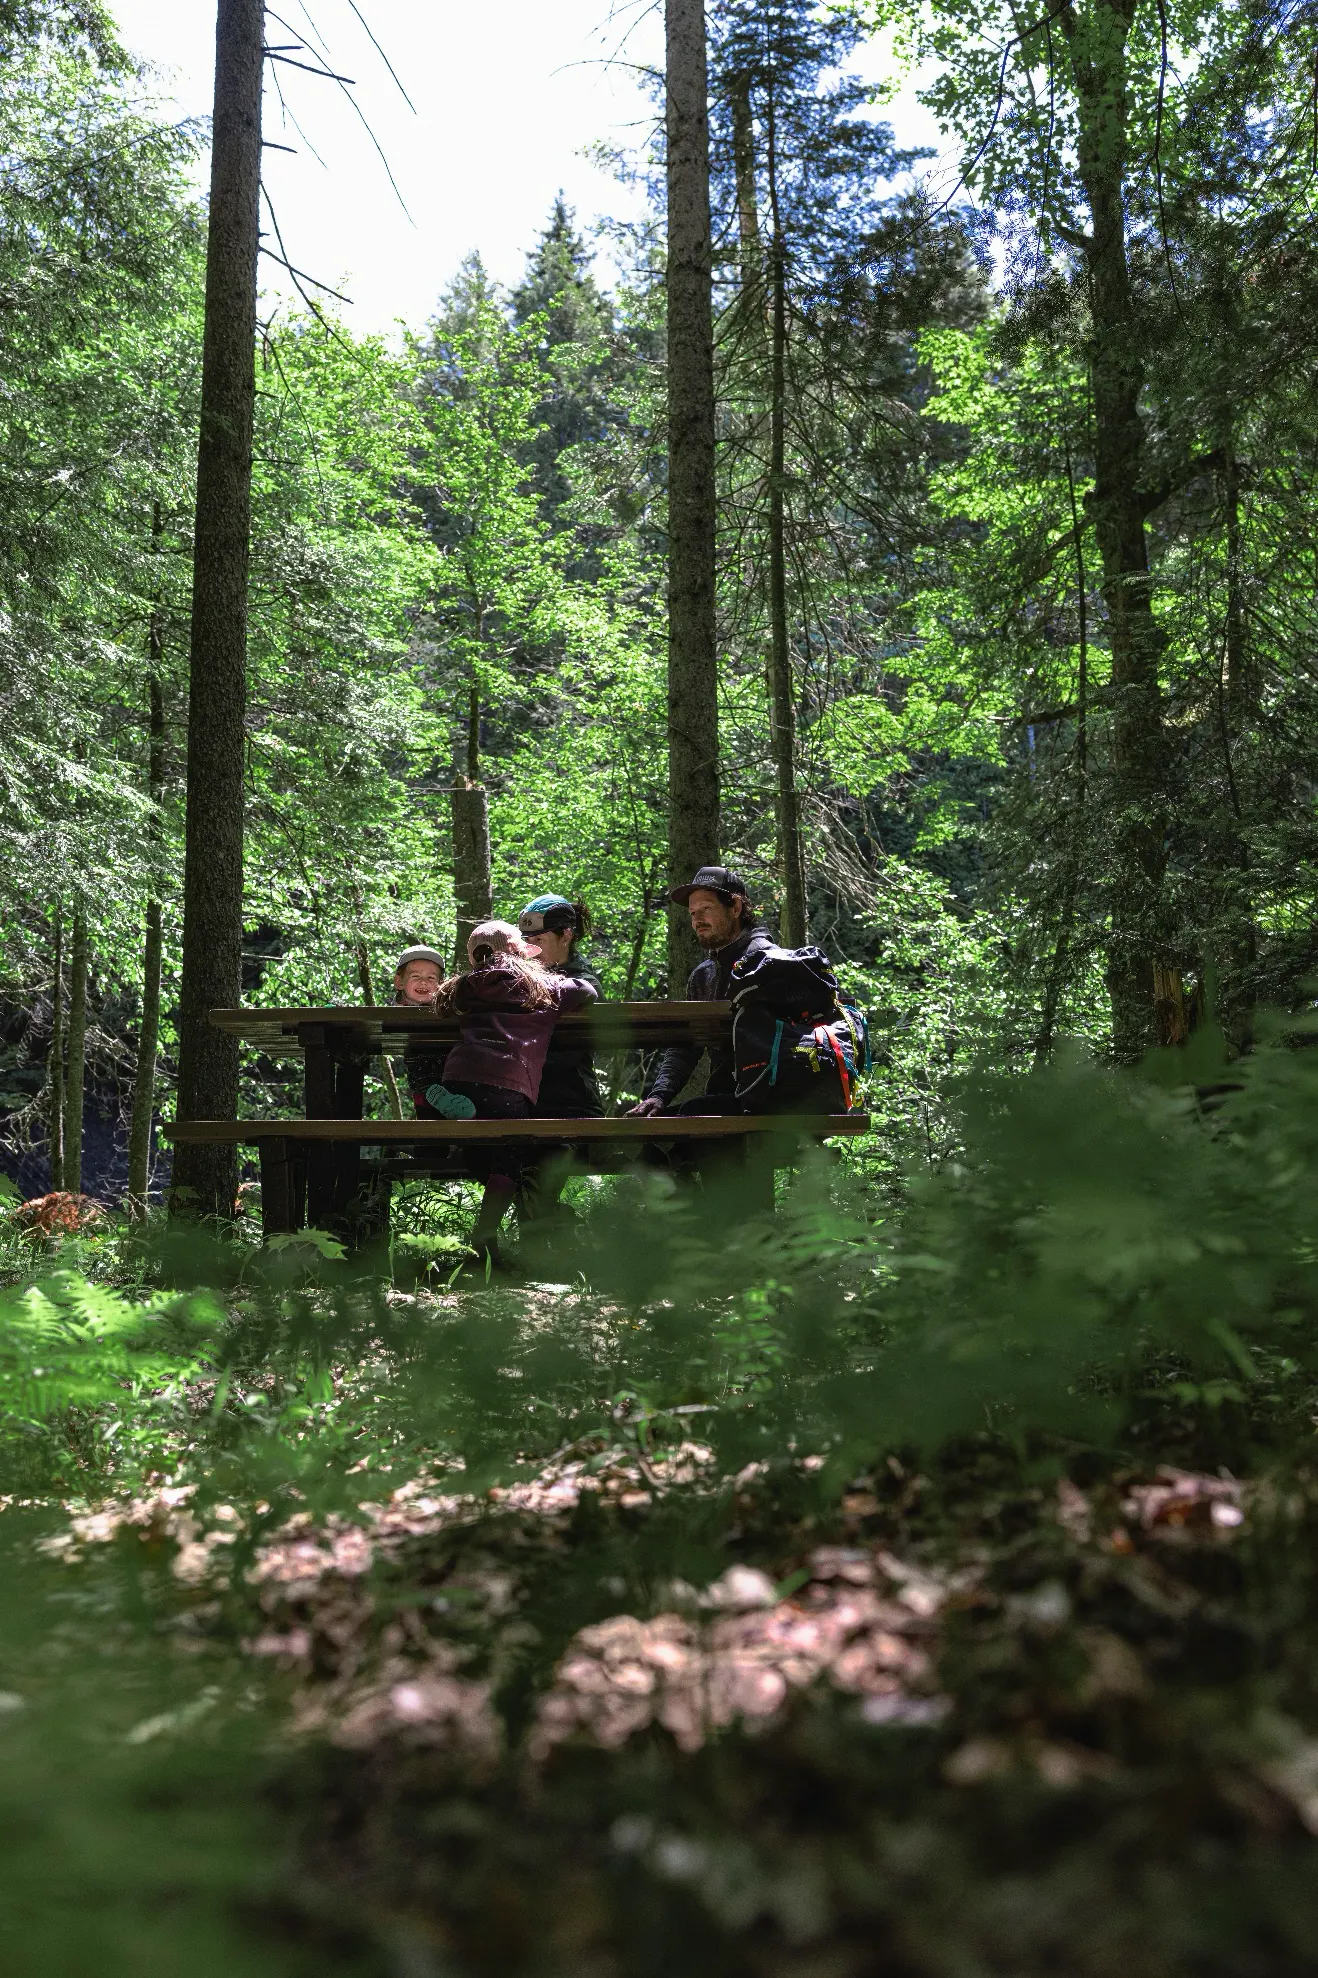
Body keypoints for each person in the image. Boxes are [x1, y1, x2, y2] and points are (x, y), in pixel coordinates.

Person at [431, 919, 597, 1266]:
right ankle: (485, 1234)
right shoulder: (539, 985)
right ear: (518, 953)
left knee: (485, 1146)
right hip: (509, 1083)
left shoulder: (464, 987)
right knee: (513, 1153)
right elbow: (586, 991)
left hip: (459, 1075)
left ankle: (463, 1112)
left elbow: (440, 1004)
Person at [630, 866, 774, 1118]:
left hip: (770, 1100)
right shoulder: (704, 975)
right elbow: (685, 1044)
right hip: (727, 1098)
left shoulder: (769, 964)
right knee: (654, 1129)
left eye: (706, 909)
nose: (697, 920)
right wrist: (659, 1095)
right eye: (693, 912)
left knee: (677, 1129)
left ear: (736, 908)